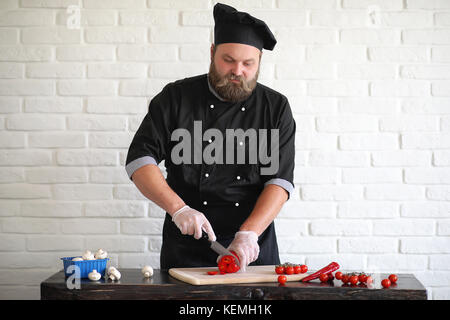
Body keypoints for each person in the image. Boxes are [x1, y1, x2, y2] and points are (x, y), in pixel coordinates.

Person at [125, 3, 296, 272]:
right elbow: (139, 160)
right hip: (186, 247)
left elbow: (279, 181)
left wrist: (249, 234)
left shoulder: (275, 107)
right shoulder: (175, 98)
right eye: (228, 60)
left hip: (252, 249)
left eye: (248, 63)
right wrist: (179, 209)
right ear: (212, 53)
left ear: (259, 62)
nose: (237, 71)